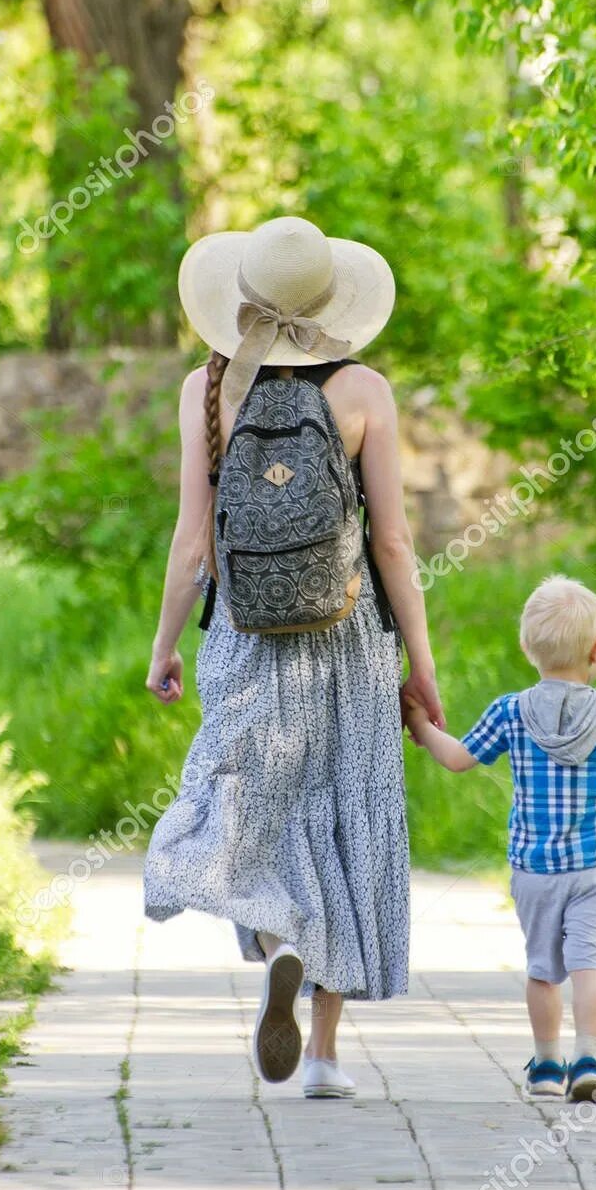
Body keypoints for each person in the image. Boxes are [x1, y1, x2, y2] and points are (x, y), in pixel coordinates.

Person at [142, 216, 444, 1098]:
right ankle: (322, 1056)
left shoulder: (208, 390)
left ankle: (279, 941)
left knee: (243, 807)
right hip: (347, 636)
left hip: (243, 628)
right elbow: (391, 543)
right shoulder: (365, 393)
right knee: (347, 814)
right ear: (331, 298)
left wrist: (164, 646)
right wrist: (419, 661)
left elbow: (192, 543)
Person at [404, 574, 596, 1105]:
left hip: (534, 871)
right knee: (589, 963)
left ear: (526, 647)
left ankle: (545, 1066)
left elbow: (456, 759)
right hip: (594, 869)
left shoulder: (509, 712)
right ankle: (589, 1058)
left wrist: (423, 727)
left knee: (543, 970)